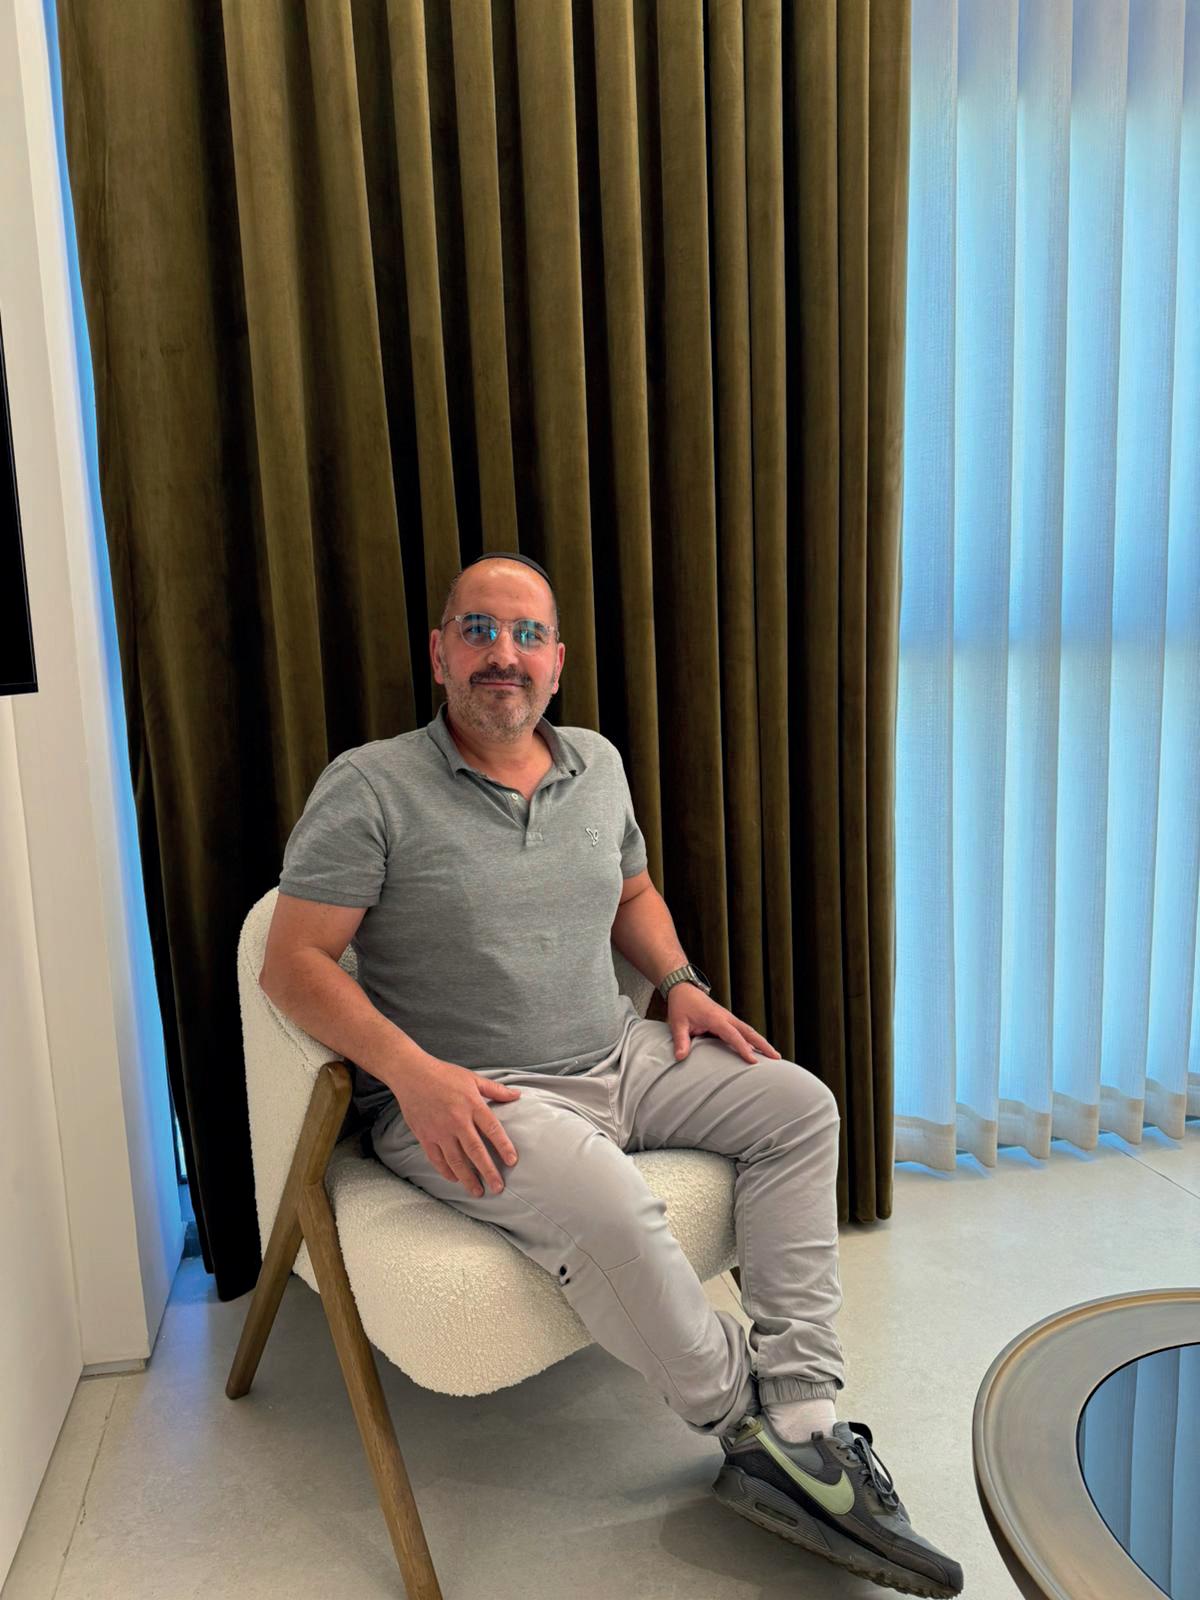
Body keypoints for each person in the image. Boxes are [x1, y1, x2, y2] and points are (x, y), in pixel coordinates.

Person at [259, 552, 963, 1598]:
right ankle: (748, 1431)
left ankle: (806, 1409)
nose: (504, 654)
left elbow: (632, 892)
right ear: (440, 653)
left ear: (558, 661)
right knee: (610, 1200)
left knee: (798, 1104)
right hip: (472, 1093)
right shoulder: (370, 786)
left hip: (618, 1053)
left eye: (527, 635)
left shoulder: (595, 762)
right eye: (480, 631)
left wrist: (678, 983)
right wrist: (411, 1073)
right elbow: (291, 964)